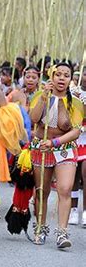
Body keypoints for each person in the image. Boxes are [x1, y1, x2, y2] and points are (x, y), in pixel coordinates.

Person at [29, 62, 83, 248]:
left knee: (65, 188)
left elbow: (75, 131)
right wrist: (44, 96)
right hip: (40, 147)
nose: (61, 78)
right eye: (58, 74)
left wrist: (55, 142)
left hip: (64, 148)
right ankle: (40, 228)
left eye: (66, 75)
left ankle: (62, 232)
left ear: (71, 79)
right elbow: (34, 119)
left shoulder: (75, 102)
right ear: (51, 77)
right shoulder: (39, 95)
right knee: (41, 191)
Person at [68, 69, 86, 226]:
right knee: (74, 176)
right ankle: (73, 210)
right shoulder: (73, 93)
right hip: (74, 139)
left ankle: (85, 211)